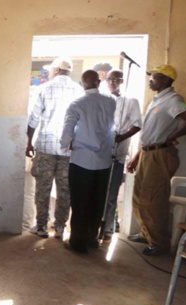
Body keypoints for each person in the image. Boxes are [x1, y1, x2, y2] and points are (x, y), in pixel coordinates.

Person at [127, 65, 186, 256]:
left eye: (154, 77)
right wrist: (138, 156)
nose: (150, 80)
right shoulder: (157, 100)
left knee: (154, 199)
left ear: (165, 79)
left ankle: (159, 243)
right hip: (148, 153)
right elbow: (149, 134)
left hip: (160, 155)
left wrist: (172, 136)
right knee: (139, 196)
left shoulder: (174, 100)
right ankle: (147, 234)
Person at [26, 57, 84, 239]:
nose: (49, 73)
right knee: (64, 189)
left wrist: (28, 142)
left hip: (45, 147)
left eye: (50, 70)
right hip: (69, 149)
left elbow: (33, 119)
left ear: (57, 70)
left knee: (43, 187)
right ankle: (60, 227)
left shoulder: (44, 88)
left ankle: (42, 226)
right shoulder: (79, 90)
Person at [60, 70, 116, 253]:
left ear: (82, 83)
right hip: (104, 161)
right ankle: (93, 238)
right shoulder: (110, 102)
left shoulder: (77, 104)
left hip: (82, 160)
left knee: (80, 202)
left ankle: (77, 243)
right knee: (97, 200)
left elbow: (68, 129)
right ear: (99, 82)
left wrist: (65, 144)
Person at [99, 70, 142, 242]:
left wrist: (121, 137)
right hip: (99, 154)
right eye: (110, 79)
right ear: (105, 80)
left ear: (121, 81)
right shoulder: (101, 99)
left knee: (111, 195)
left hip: (117, 155)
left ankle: (108, 229)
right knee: (98, 193)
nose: (112, 82)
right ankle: (95, 226)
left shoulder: (130, 101)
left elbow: (137, 124)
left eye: (116, 79)